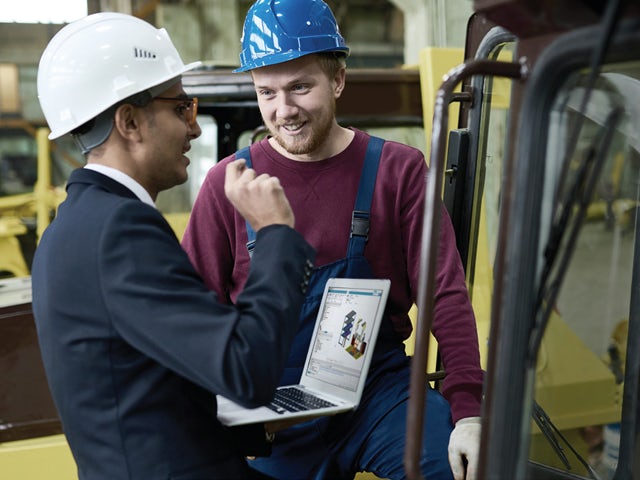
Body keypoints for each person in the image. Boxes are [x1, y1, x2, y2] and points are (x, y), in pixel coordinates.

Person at [182, 0, 484, 479]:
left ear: (338, 79)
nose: (284, 111)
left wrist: (469, 409)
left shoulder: (398, 171)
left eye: (300, 87)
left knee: (453, 466)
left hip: (379, 396)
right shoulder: (228, 184)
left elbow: (444, 292)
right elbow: (191, 314)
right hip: (270, 413)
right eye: (267, 93)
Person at [32, 12, 316, 480]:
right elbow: (246, 372)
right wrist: (275, 235)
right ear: (129, 122)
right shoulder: (121, 231)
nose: (195, 127)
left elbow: (150, 389)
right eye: (181, 108)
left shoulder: (73, 227)